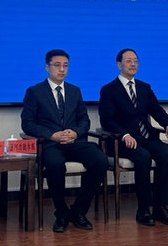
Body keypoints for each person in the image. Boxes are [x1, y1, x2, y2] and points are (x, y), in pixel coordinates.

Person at [21, 49, 106, 233]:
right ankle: (61, 213)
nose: (62, 69)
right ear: (47, 67)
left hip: (75, 142)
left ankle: (79, 210)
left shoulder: (75, 91)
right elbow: (27, 124)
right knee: (55, 165)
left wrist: (75, 132)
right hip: (50, 144)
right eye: (57, 65)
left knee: (100, 160)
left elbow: (84, 120)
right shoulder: (34, 92)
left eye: (65, 66)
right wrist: (52, 135)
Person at [98, 48, 168, 227]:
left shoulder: (144, 87)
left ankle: (161, 207)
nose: (133, 64)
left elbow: (157, 110)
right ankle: (144, 208)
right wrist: (124, 134)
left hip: (146, 137)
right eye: (128, 61)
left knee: (167, 155)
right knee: (143, 157)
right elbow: (107, 120)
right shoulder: (109, 90)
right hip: (122, 141)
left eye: (135, 61)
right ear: (119, 64)